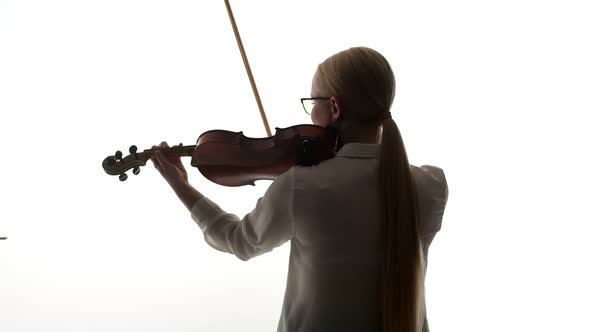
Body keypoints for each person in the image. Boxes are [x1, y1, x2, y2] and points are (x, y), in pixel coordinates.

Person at [150, 46, 449, 332]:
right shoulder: (431, 187)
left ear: (334, 108)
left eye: (313, 103)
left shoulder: (302, 187)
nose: (309, 117)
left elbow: (238, 241)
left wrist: (181, 186)